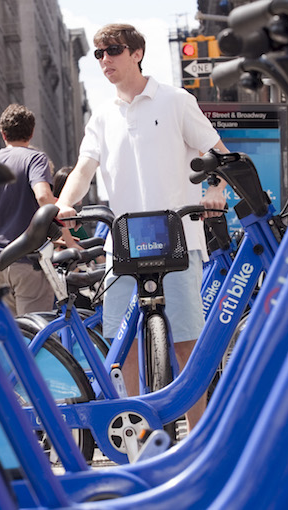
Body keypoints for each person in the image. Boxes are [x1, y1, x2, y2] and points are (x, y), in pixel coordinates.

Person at [55, 23, 229, 429]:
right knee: (123, 344)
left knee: (187, 342)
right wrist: (65, 202)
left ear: (137, 53)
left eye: (112, 50)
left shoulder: (174, 100)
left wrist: (216, 188)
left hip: (179, 237)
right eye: (98, 54)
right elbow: (84, 168)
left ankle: (198, 433)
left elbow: (218, 153)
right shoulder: (102, 116)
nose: (104, 60)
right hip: (125, 243)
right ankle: (135, 427)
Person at [0, 104, 57, 316]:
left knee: (8, 339)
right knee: (35, 335)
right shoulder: (35, 158)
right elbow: (43, 195)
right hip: (28, 261)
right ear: (32, 132)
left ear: (2, 133)